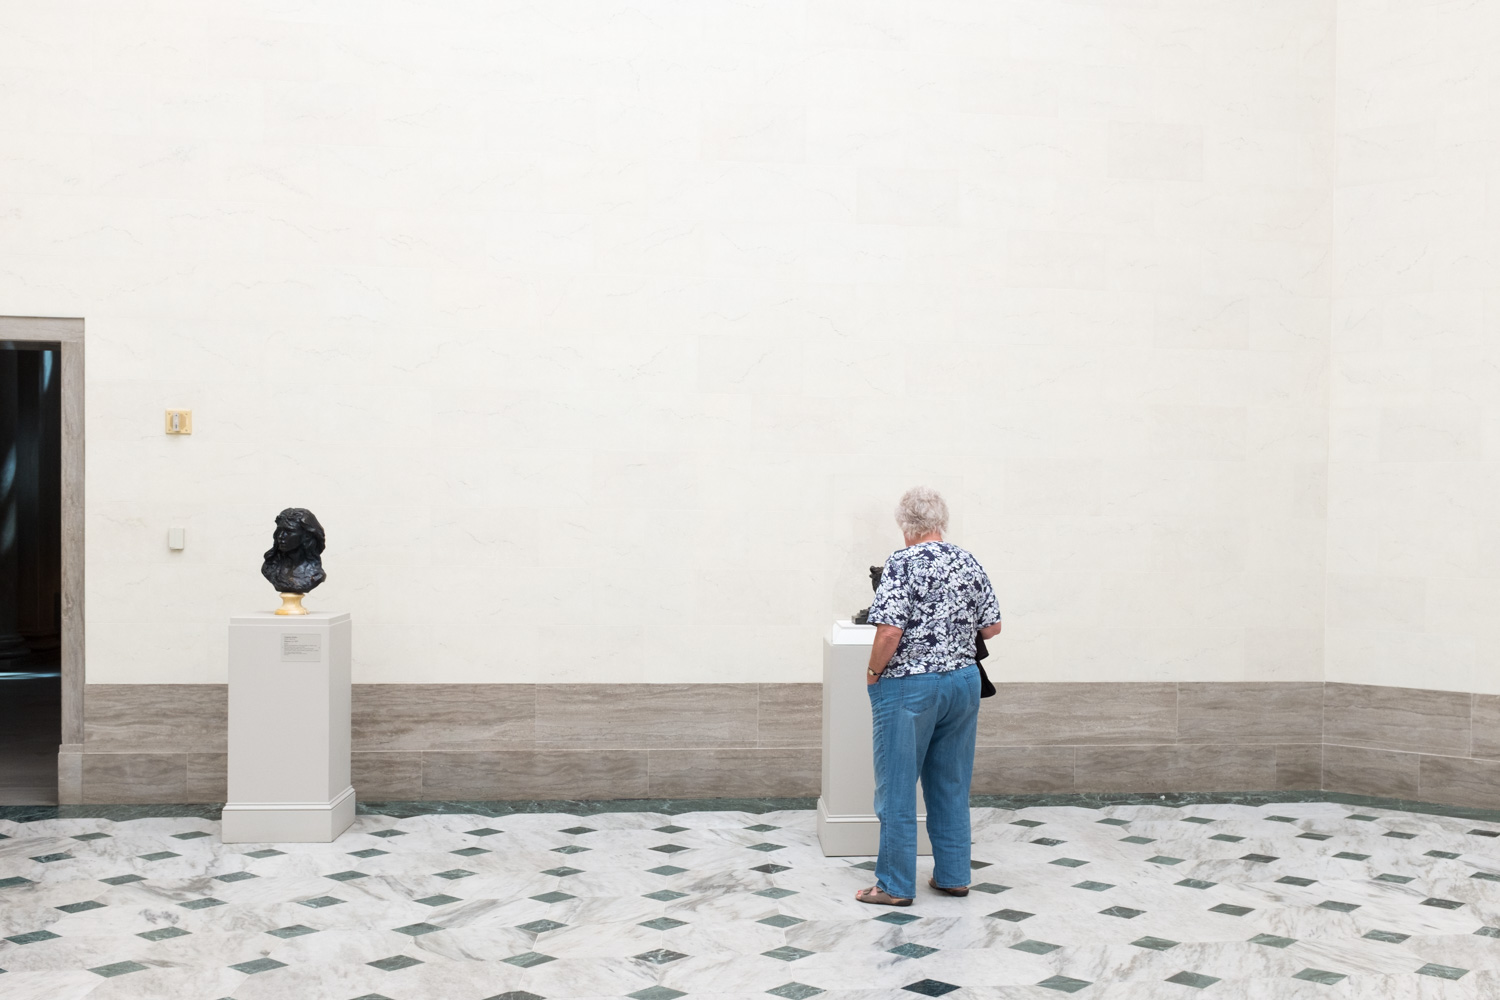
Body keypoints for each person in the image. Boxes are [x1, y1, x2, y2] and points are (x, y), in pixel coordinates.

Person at [855, 486, 1001, 906]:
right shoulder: (967, 560)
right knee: (950, 783)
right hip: (963, 682)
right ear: (942, 522)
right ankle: (954, 876)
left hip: (909, 686)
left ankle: (895, 886)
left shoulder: (902, 563)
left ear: (906, 525)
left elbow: (888, 630)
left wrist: (872, 672)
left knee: (897, 788)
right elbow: (991, 628)